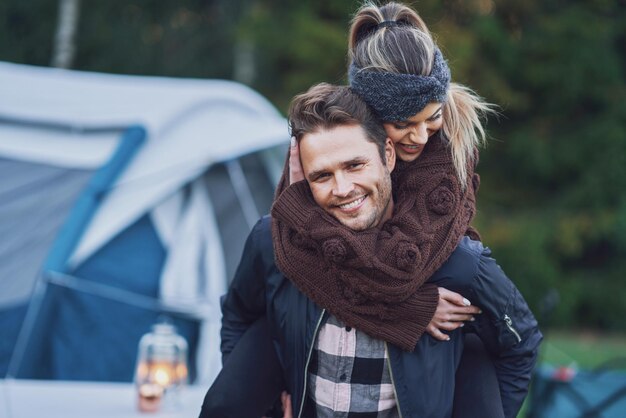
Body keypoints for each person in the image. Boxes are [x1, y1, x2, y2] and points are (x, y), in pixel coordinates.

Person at [212, 83, 541, 418]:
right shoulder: (275, 244)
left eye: (355, 165)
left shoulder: (456, 263)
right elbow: (239, 317)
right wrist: (265, 404)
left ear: (387, 154)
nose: (342, 189)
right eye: (322, 176)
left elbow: (521, 342)